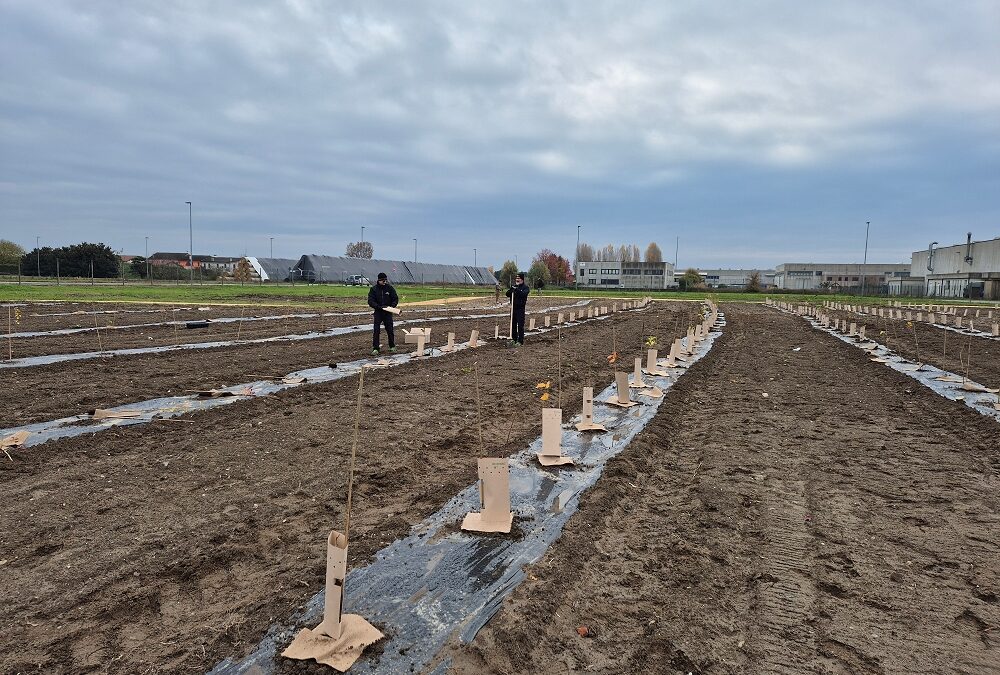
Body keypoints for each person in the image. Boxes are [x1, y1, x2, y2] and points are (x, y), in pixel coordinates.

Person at [368, 272, 399, 355]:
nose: (384, 282)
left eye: (385, 280)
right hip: (378, 312)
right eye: (383, 280)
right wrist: (378, 306)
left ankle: (392, 346)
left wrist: (391, 307)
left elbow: (395, 299)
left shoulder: (390, 288)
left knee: (390, 330)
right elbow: (370, 301)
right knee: (376, 330)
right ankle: (376, 348)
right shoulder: (373, 289)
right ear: (378, 280)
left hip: (388, 312)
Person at [506, 272, 530, 346]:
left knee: (520, 325)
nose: (517, 279)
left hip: (520, 309)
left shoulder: (525, 288)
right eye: (516, 278)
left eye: (518, 278)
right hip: (513, 308)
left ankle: (520, 341)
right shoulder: (514, 286)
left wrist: (517, 290)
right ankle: (514, 339)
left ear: (522, 279)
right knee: (513, 325)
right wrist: (512, 290)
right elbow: (507, 294)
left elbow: (523, 294)